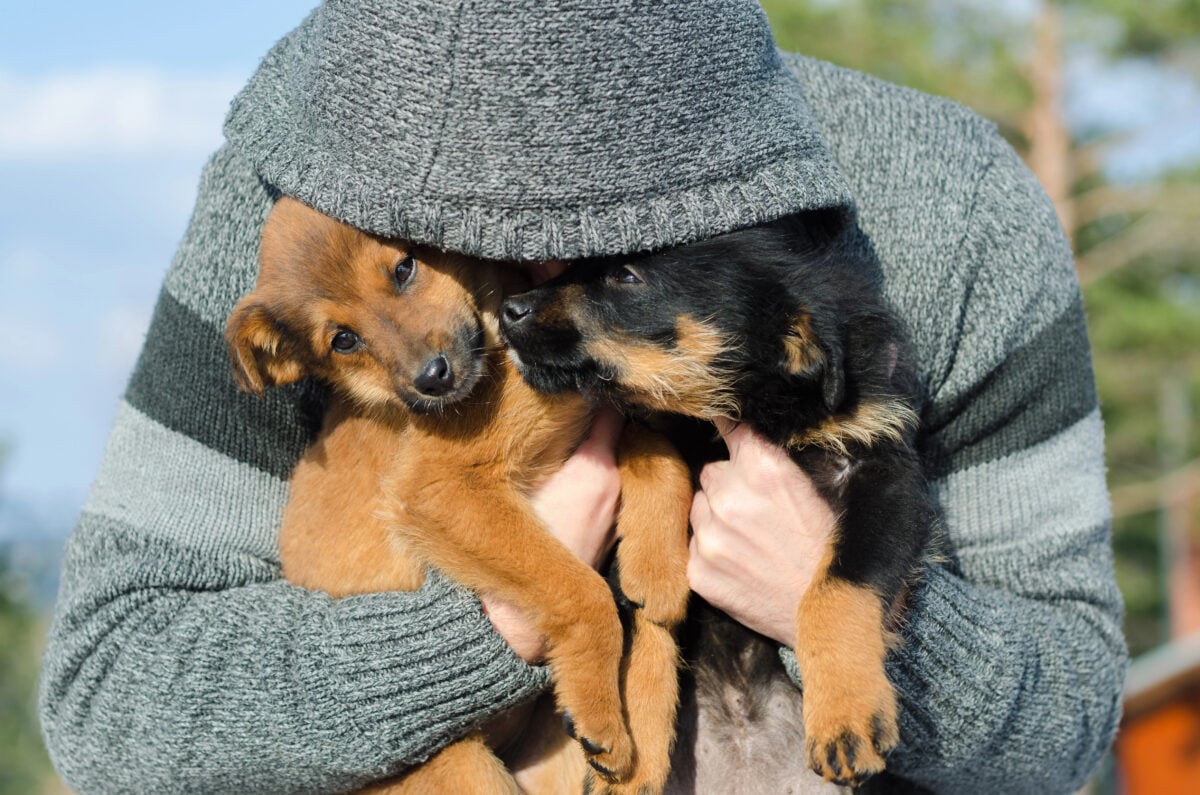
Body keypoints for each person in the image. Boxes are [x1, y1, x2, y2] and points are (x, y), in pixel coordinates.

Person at [38, 1, 1127, 793]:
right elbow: (111, 696)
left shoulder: (953, 208)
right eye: (461, 225)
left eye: (589, 236)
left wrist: (835, 605)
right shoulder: (316, 166)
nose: (518, 295)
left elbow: (1074, 711)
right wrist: (500, 623)